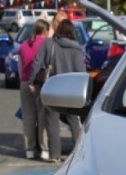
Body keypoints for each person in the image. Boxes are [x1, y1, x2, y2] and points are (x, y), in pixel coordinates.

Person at [29, 18, 86, 161]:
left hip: (52, 87)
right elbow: (82, 72)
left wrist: (32, 82)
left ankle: (55, 155)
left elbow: (37, 62)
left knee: (52, 121)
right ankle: (78, 154)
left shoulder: (49, 44)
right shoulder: (77, 49)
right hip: (72, 90)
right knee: (74, 121)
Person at [18, 19, 50, 160]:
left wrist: (24, 81)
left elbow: (20, 67)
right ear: (45, 31)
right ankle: (44, 149)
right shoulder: (46, 44)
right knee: (42, 116)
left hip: (25, 83)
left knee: (28, 118)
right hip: (41, 83)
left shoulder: (24, 45)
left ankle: (29, 149)